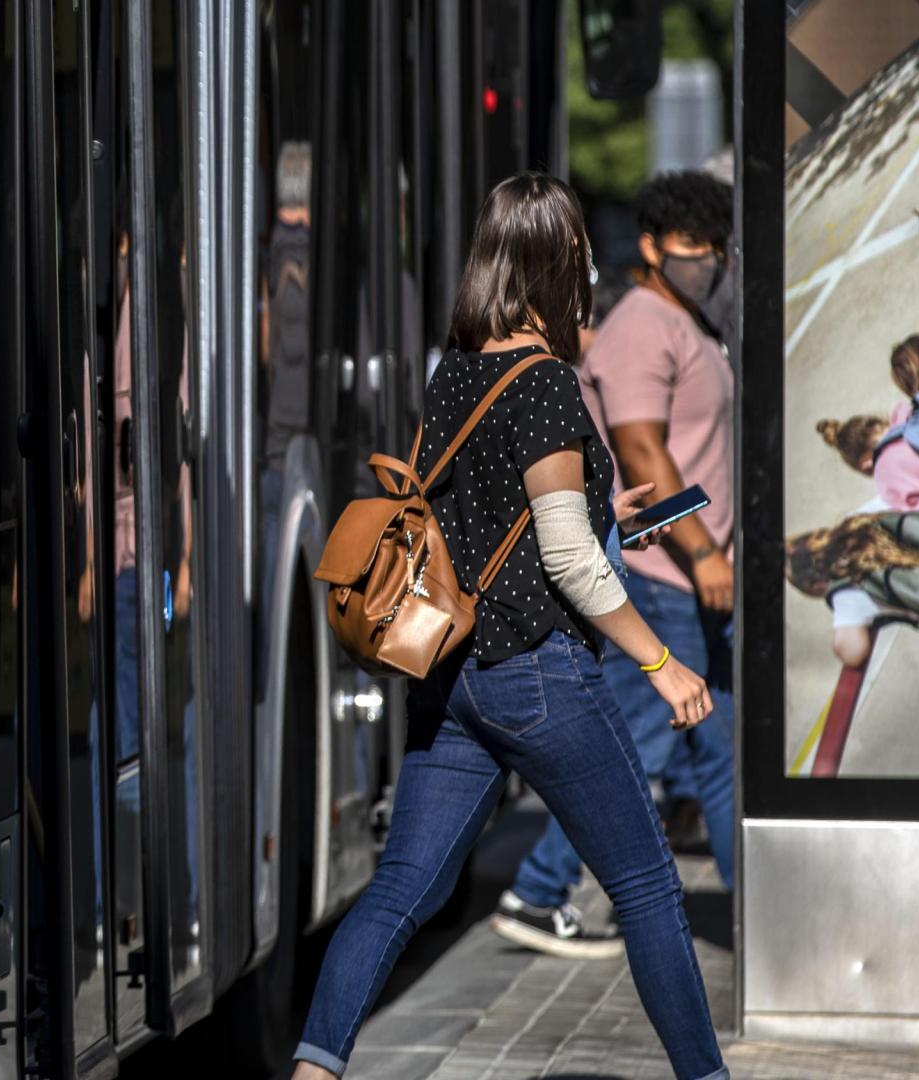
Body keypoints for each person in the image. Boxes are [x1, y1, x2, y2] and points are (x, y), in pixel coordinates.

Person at [291, 173, 727, 1080]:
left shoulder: (455, 372)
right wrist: (659, 662)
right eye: (578, 250)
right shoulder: (547, 385)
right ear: (556, 262)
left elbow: (486, 519)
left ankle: (313, 1070)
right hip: (537, 674)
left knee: (401, 890)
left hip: (454, 683)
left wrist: (611, 506)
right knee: (648, 889)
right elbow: (565, 560)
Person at [491, 172, 739, 956]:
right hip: (668, 579)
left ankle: (755, 920)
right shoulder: (640, 327)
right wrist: (700, 550)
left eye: (715, 246)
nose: (707, 259)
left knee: (714, 751)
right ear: (653, 247)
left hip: (685, 574)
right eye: (693, 246)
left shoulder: (685, 318)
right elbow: (639, 443)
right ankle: (538, 889)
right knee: (640, 747)